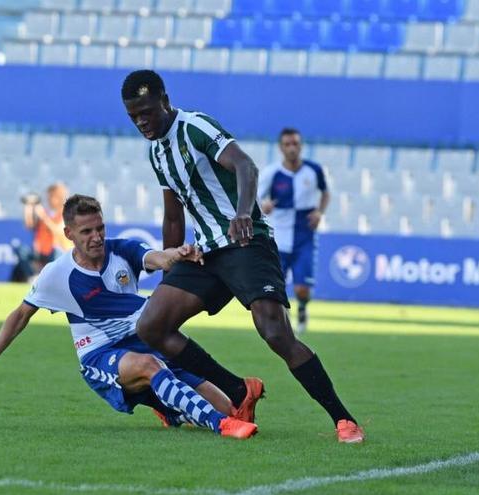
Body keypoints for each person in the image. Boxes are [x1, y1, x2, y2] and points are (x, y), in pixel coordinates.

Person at [121, 70, 364, 443]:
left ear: (165, 101)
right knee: (152, 325)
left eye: (148, 112)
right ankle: (238, 391)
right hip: (206, 254)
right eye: (134, 116)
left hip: (244, 240)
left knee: (274, 332)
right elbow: (173, 214)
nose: (142, 122)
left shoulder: (195, 126)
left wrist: (242, 214)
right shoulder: (156, 153)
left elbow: (245, 166)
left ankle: (343, 419)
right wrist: (171, 259)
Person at [0, 195, 258, 439]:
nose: (96, 237)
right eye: (86, 231)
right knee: (155, 369)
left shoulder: (122, 250)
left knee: (227, 405)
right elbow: (20, 316)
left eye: (100, 228)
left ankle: (171, 409)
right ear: (68, 233)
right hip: (100, 355)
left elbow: (154, 257)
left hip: (144, 341)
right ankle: (221, 426)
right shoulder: (57, 275)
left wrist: (176, 254)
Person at [257, 128, 330, 334]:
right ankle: (284, 321)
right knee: (277, 286)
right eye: (287, 144)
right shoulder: (271, 173)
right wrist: (265, 206)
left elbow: (326, 193)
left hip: (304, 236)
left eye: (295, 144)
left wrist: (319, 212)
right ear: (281, 147)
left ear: (301, 146)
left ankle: (303, 307)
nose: (292, 148)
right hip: (278, 237)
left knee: (302, 289)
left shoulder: (313, 170)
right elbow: (254, 200)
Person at [22, 182, 72, 273]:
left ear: (59, 198)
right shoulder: (47, 213)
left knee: (57, 251)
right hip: (41, 252)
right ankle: (34, 276)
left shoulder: (65, 214)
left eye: (51, 197)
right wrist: (28, 208)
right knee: (20, 250)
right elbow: (29, 225)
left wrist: (44, 217)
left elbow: (58, 231)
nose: (48, 199)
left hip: (57, 252)